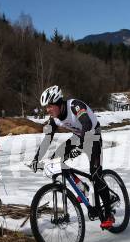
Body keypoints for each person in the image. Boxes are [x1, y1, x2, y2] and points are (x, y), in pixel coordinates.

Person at [31, 85, 115, 229]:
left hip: (93, 135)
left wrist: (81, 147)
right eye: (46, 107)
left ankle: (108, 214)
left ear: (58, 102)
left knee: (95, 174)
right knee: (56, 159)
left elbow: (87, 125)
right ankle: (81, 187)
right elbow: (47, 139)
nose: (48, 110)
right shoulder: (54, 119)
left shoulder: (75, 106)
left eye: (50, 106)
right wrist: (36, 158)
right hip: (78, 136)